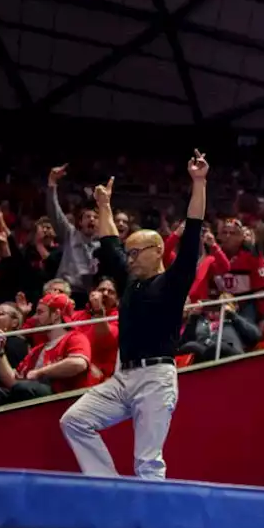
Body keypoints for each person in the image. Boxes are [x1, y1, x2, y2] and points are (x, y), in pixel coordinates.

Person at [59, 150, 208, 482]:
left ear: (157, 251)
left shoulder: (173, 280)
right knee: (74, 421)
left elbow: (194, 227)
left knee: (147, 463)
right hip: (122, 378)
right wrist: (104, 205)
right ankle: (111, 489)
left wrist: (199, 182)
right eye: (128, 254)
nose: (129, 258)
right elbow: (110, 239)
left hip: (156, 378)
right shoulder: (130, 280)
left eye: (135, 253)